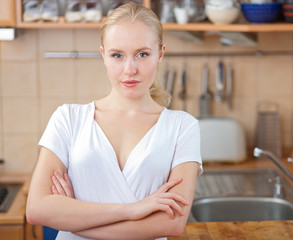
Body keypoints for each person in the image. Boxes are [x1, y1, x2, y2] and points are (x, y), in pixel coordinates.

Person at [26, 3, 202, 240]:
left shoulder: (183, 126)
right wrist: (132, 209)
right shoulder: (68, 118)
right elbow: (37, 209)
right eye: (117, 55)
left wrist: (75, 222)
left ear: (160, 54)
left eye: (142, 54)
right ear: (103, 55)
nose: (130, 69)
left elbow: (172, 223)